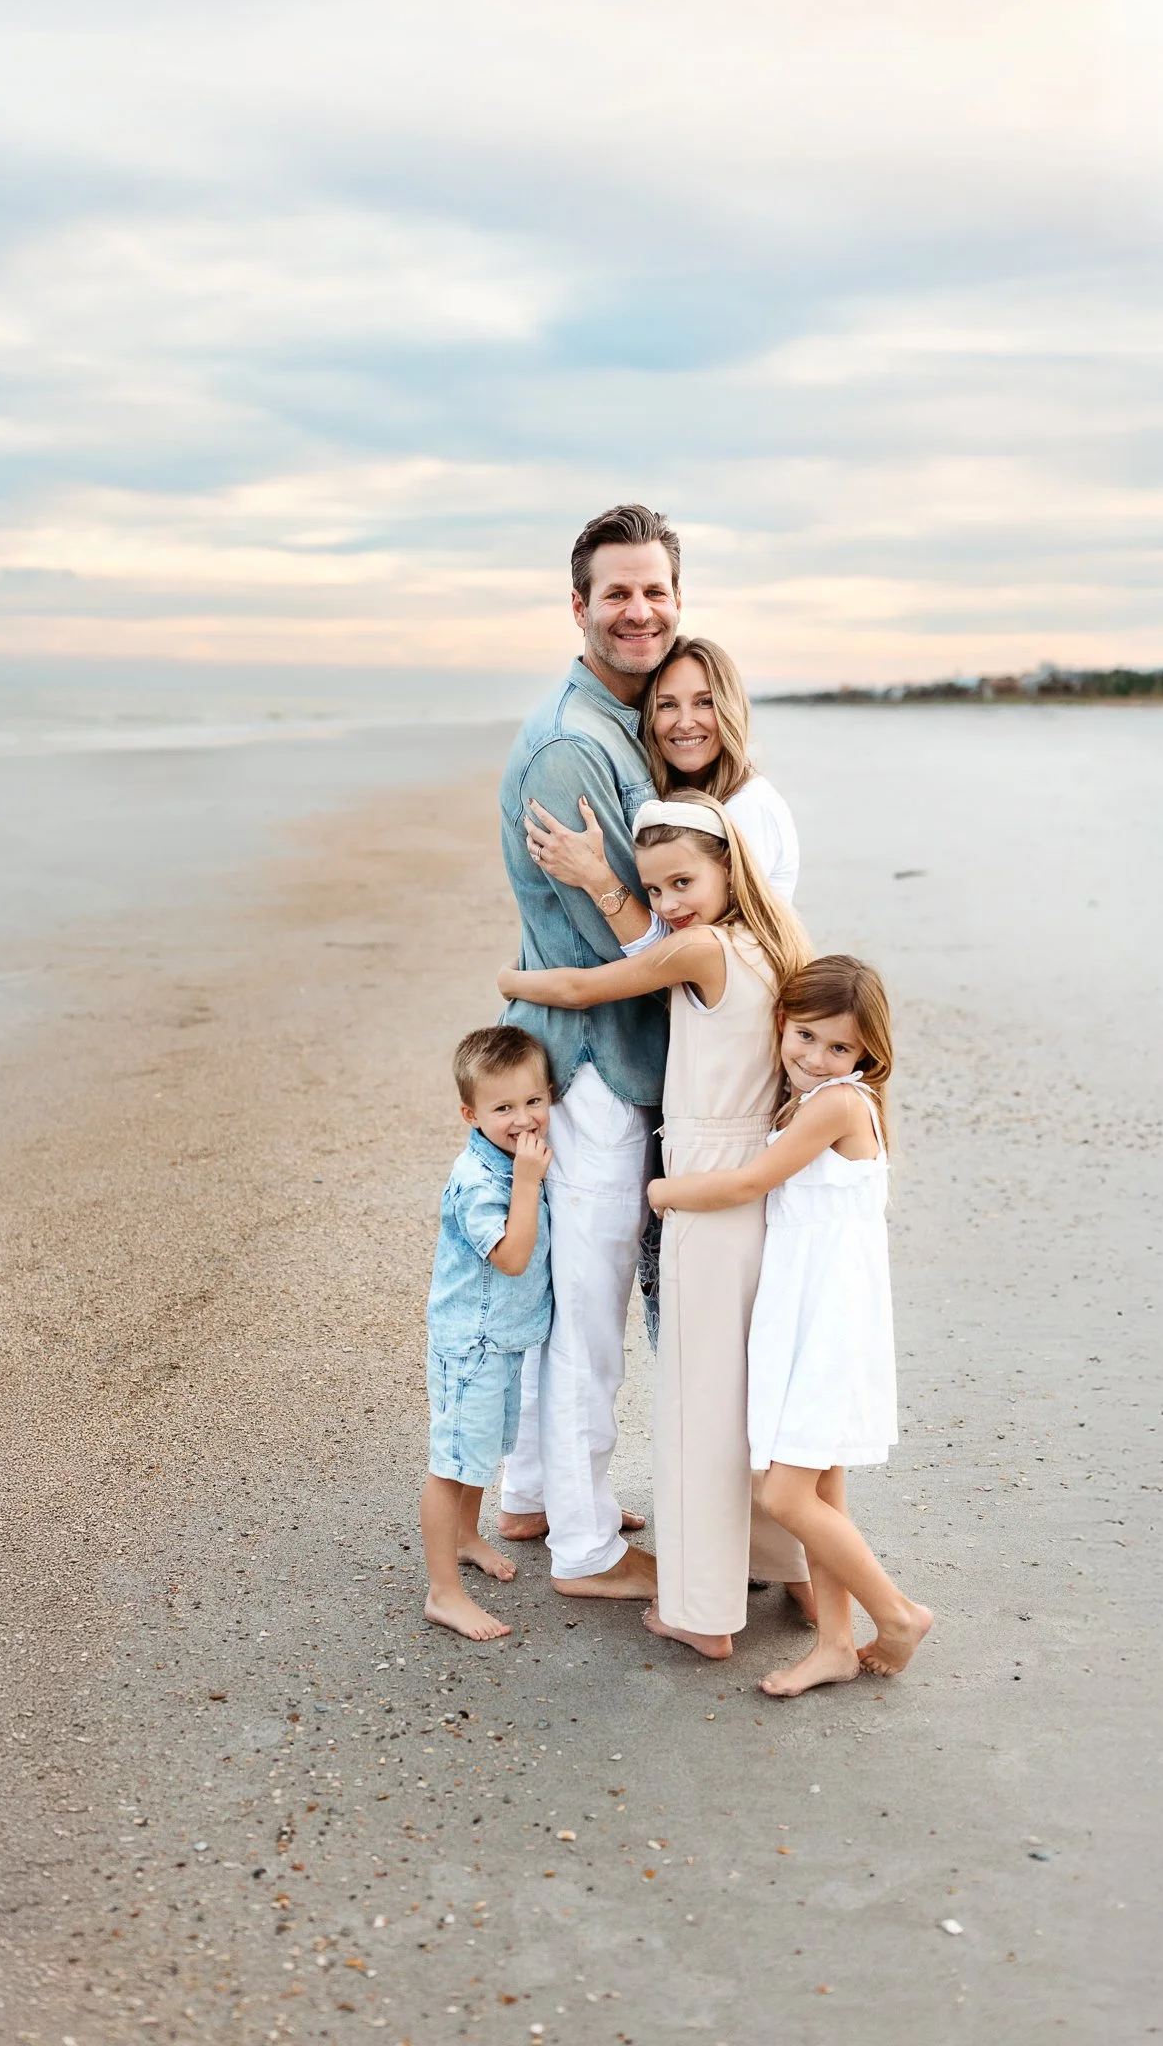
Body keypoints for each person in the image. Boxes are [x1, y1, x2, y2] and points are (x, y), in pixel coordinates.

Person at [499, 790, 815, 1657]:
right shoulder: (771, 940)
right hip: (761, 1183)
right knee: (754, 1395)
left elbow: (581, 985)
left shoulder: (702, 948)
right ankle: (784, 1569)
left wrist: (509, 983)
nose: (669, 903)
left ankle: (701, 1611)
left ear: (726, 870)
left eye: (682, 881)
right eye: (657, 888)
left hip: (707, 1184)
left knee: (697, 1403)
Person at [648, 956, 934, 1695]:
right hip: (802, 1312)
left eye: (836, 1048)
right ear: (781, 1023)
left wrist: (663, 1189)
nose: (813, 1056)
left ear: (865, 1055)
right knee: (824, 1487)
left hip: (828, 1321)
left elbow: (748, 1182)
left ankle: (896, 1613)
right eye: (804, 1035)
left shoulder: (839, 1104)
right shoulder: (807, 1098)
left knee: (782, 1494)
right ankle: (835, 1644)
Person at [496, 504, 683, 1601]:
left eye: (654, 588)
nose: (638, 608)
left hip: (580, 1054)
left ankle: (532, 1491)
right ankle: (585, 1546)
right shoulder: (576, 743)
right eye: (616, 590)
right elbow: (642, 942)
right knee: (591, 1317)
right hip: (599, 1069)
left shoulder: (616, 722)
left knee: (571, 1304)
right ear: (579, 606)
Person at [420, 1026, 554, 1642]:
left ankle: (469, 1537)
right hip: (471, 1345)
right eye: (503, 1108)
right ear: (471, 1114)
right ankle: (443, 1592)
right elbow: (510, 1258)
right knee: (452, 1463)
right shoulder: (483, 1180)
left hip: (502, 1338)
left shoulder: (513, 1155)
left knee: (482, 1450)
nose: (522, 1118)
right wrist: (527, 1182)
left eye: (534, 1101)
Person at [520, 634, 799, 926]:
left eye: (704, 702)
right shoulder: (672, 801)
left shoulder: (748, 809)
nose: (686, 722)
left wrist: (596, 877)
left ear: (730, 709)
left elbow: (703, 956)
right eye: (667, 705)